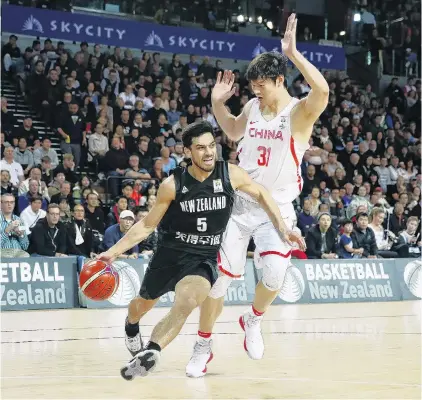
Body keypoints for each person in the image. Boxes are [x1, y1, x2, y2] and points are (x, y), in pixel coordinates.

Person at [97, 121, 305, 380]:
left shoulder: (230, 174)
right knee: (140, 306)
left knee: (186, 303)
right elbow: (147, 225)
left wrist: (283, 228)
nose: (208, 153)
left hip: (202, 259)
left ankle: (151, 351)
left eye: (211, 146)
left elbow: (262, 194)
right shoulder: (172, 185)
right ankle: (131, 327)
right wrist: (113, 252)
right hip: (169, 255)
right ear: (187, 152)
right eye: (200, 148)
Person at [187, 13, 328, 375]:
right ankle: (203, 344)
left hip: (276, 209)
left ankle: (253, 319)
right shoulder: (252, 107)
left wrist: (293, 54)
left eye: (262, 86)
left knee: (275, 277)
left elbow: (323, 91)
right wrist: (218, 104)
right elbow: (233, 132)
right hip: (238, 205)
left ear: (280, 80)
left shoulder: (298, 113)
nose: (256, 92)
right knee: (218, 281)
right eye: (253, 87)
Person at [0, 193, 30, 257]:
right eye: (6, 202)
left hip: (18, 252)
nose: (9, 205)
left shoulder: (19, 220)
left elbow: (25, 246)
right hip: (2, 252)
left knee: (26, 256)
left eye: (12, 202)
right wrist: (7, 230)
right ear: (1, 204)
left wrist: (21, 235)